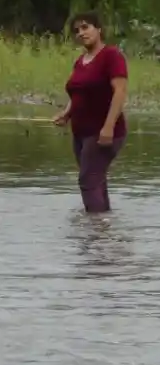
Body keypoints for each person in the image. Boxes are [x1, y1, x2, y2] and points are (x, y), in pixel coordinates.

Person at [52, 11, 128, 213]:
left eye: (85, 27)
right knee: (96, 179)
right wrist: (66, 114)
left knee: (88, 180)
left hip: (103, 132)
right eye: (77, 30)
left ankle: (94, 227)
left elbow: (120, 92)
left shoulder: (111, 55)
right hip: (81, 134)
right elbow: (78, 94)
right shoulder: (80, 61)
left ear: (99, 29)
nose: (81, 33)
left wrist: (108, 127)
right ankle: (104, 224)